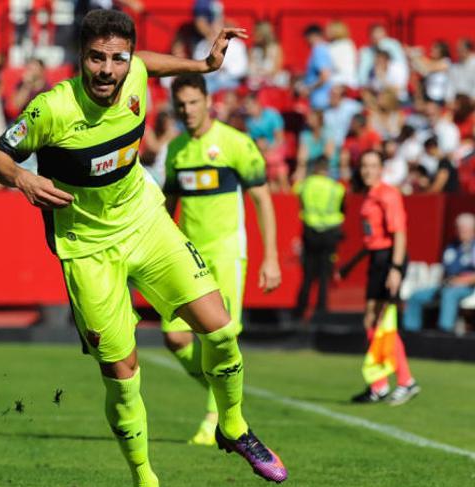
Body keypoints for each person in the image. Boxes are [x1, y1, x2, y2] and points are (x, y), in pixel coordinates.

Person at [0, 10, 287, 487]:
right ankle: (145, 481)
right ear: (81, 58)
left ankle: (233, 426)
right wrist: (23, 178)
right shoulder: (52, 108)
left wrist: (203, 66)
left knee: (221, 330)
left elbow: (147, 63)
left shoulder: (136, 74)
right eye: (97, 58)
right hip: (86, 249)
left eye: (117, 59)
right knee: (123, 376)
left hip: (146, 223)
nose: (108, 70)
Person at [162, 73, 281, 446]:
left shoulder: (235, 144)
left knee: (219, 337)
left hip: (226, 253)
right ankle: (226, 392)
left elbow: (262, 199)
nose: (188, 110)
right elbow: (168, 207)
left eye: (194, 102)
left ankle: (216, 419)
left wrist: (271, 258)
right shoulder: (177, 149)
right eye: (181, 105)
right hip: (186, 257)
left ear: (208, 101)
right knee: (174, 336)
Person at [338, 150, 420, 405]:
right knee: (371, 321)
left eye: (373, 165)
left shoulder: (387, 194)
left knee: (384, 321)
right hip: (378, 258)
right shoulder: (370, 195)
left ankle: (406, 381)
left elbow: (400, 234)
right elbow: (371, 238)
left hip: (389, 260)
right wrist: (350, 265)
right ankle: (379, 384)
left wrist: (395, 268)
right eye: (364, 165)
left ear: (381, 168)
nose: (367, 170)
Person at [403, 213, 475, 334]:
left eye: (464, 229)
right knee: (416, 296)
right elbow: (446, 269)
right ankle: (411, 332)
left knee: (449, 294)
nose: (461, 231)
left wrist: (460, 281)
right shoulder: (452, 246)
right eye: (459, 228)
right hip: (447, 283)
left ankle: (444, 331)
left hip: (467, 287)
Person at [293, 156, 345, 319]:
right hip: (330, 234)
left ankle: (300, 310)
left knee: (307, 275)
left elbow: (294, 192)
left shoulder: (306, 185)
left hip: (310, 233)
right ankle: (322, 311)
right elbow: (343, 207)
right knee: (324, 274)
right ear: (327, 169)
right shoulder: (336, 188)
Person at [301, 24, 333, 111]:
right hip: (321, 98)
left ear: (312, 36)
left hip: (321, 99)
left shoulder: (319, 50)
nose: (306, 41)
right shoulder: (324, 48)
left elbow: (325, 75)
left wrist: (309, 88)